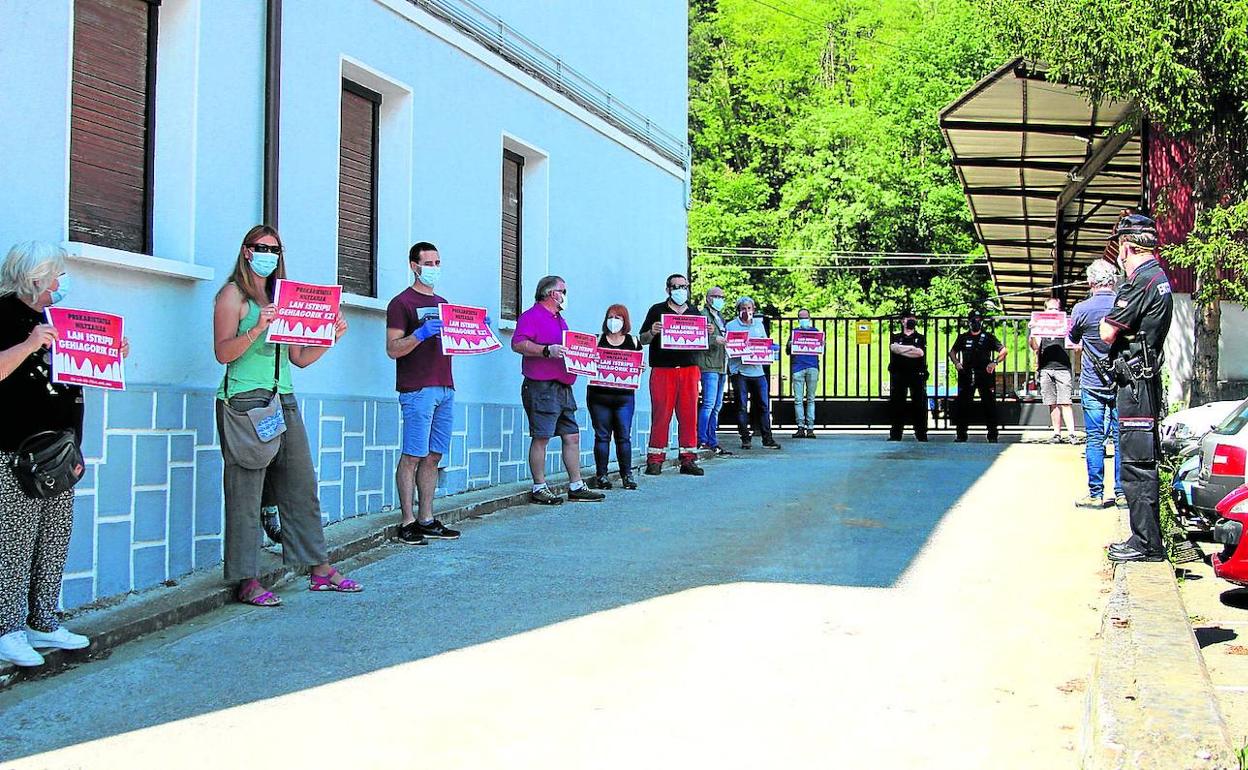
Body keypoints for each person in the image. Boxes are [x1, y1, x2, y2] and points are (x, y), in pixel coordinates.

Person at [213, 225, 362, 606]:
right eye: (261, 248)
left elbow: (300, 358)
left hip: (283, 399)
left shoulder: (283, 296)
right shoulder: (234, 295)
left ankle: (318, 567)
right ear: (246, 251)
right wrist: (258, 328)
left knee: (301, 487)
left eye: (275, 249)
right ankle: (246, 578)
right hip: (245, 401)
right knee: (245, 494)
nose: (269, 254)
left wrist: (328, 338)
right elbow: (223, 353)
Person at [0, 241, 128, 667]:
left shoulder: (57, 319)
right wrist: (29, 344)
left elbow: (78, 367)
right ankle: (8, 629)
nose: (60, 283)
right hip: (16, 449)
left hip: (60, 449)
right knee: (15, 541)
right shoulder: (4, 316)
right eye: (55, 276)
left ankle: (43, 619)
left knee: (53, 536)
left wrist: (110, 352)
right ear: (35, 277)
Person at [1100, 214, 1173, 562]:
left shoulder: (1139, 281)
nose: (1119, 257)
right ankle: (1146, 539)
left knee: (1136, 465)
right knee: (1141, 461)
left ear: (1127, 246)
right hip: (1144, 380)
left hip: (1135, 385)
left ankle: (1145, 543)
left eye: (1120, 250)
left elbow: (1105, 332)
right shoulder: (1159, 278)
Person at [385, 241, 461, 545]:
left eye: (437, 263)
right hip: (417, 388)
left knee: (433, 455)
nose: (433, 269)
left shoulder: (444, 303)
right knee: (413, 455)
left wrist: (477, 328)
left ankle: (427, 517)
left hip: (445, 386)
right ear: (414, 266)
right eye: (428, 263)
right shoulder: (400, 303)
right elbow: (393, 348)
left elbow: (461, 338)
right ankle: (407, 521)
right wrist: (419, 334)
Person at [511, 275, 605, 504]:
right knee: (541, 437)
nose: (565, 295)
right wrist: (546, 350)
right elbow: (517, 343)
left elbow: (569, 349)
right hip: (541, 385)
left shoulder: (559, 319)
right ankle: (539, 486)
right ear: (552, 293)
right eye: (563, 291)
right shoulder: (531, 316)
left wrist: (587, 356)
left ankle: (576, 484)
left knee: (572, 435)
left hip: (563, 386)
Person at [1069, 260, 1125, 510]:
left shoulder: (1082, 309)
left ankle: (1095, 494)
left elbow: (1073, 338)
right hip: (1121, 380)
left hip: (1092, 381)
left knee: (1094, 439)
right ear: (1113, 280)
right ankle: (1122, 493)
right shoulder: (1123, 305)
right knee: (1120, 438)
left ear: (1091, 282)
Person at [639, 274, 704, 476]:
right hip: (662, 369)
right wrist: (653, 331)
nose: (679, 290)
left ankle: (688, 459)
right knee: (661, 414)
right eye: (675, 286)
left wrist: (708, 332)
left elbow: (702, 340)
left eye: (683, 286)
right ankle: (655, 459)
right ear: (667, 289)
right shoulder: (656, 310)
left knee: (689, 415)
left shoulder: (694, 311)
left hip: (689, 370)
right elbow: (642, 339)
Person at [586, 304, 641, 490]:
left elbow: (638, 365)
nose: (614, 321)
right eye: (611, 317)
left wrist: (640, 368)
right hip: (598, 397)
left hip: (624, 398)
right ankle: (601, 475)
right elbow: (583, 362)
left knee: (624, 437)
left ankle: (627, 475)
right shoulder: (596, 340)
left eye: (618, 318)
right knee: (602, 436)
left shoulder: (633, 342)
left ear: (625, 321)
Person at [726, 297, 781, 450]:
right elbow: (728, 346)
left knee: (763, 405)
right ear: (738, 309)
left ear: (754, 309)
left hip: (758, 371)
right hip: (740, 371)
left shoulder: (759, 324)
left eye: (749, 308)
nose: (746, 311)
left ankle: (767, 438)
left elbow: (764, 343)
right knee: (742, 406)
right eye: (743, 308)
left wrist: (771, 348)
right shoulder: (731, 325)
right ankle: (745, 437)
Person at [950, 309, 1006, 443]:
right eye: (973, 320)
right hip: (967, 374)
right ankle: (961, 435)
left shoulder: (988, 337)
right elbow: (952, 352)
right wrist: (957, 363)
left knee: (989, 404)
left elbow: (1004, 350)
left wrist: (994, 362)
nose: (976, 322)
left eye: (978, 320)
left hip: (985, 374)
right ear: (968, 322)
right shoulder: (963, 337)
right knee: (963, 404)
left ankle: (992, 435)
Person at [1030, 297, 1076, 444]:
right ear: (1045, 311)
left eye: (1056, 309)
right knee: (1052, 402)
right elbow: (1035, 347)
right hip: (1046, 367)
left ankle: (1072, 433)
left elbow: (1075, 345)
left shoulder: (1065, 324)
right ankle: (1057, 433)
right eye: (1050, 309)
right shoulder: (1040, 326)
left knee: (1066, 402)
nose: (1053, 312)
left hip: (1063, 367)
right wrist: (1033, 331)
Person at [695, 285, 732, 456]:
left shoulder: (720, 317)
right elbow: (696, 337)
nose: (719, 300)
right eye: (716, 296)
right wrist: (713, 339)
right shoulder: (703, 315)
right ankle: (702, 439)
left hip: (722, 365)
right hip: (709, 364)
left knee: (717, 406)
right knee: (708, 404)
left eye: (722, 297)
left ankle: (712, 440)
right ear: (708, 298)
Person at [888, 310, 928, 442]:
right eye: (908, 318)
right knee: (898, 404)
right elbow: (893, 348)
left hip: (916, 375)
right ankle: (896, 435)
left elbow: (919, 353)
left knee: (919, 404)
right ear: (902, 321)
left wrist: (903, 349)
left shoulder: (920, 337)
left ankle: (921, 434)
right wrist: (911, 348)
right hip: (899, 374)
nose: (911, 320)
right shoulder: (895, 336)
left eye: (913, 318)